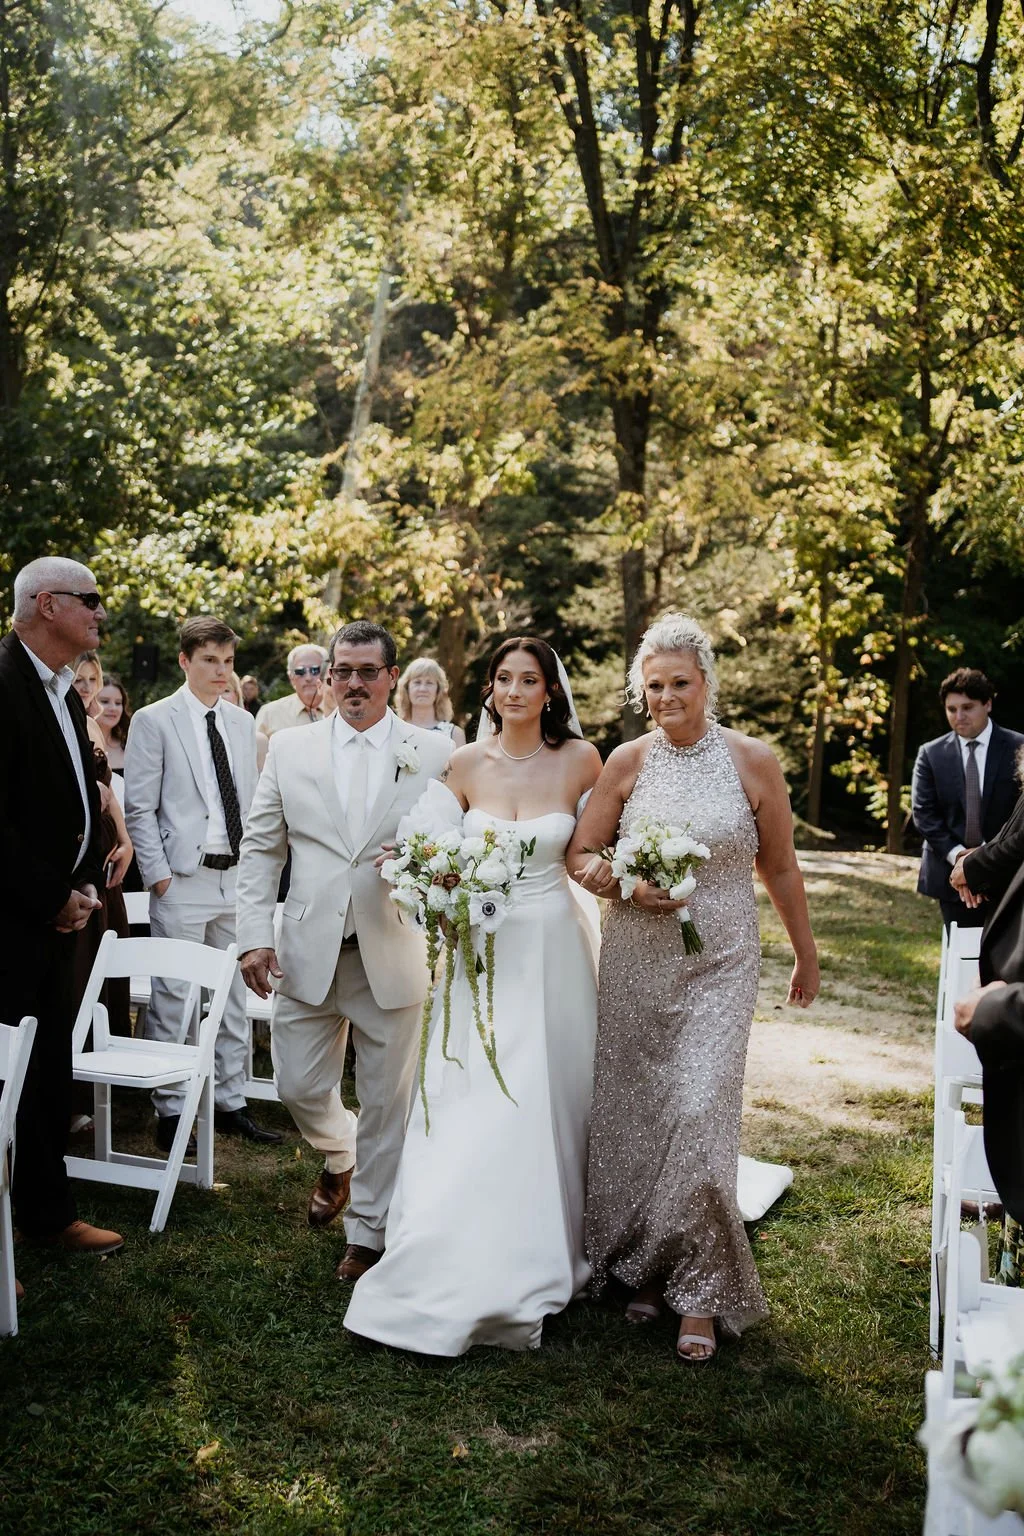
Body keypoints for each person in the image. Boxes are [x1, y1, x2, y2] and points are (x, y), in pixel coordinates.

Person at [568, 613, 819, 1362]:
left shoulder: (753, 762)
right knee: (639, 1115)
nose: (668, 696)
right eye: (655, 686)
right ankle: (649, 1268)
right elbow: (581, 852)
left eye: (681, 682)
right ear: (640, 693)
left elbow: (779, 867)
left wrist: (805, 953)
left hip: (722, 962)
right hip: (637, 961)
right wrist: (622, 884)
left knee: (699, 1108)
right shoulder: (626, 761)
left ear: (707, 682)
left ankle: (702, 1292)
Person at [343, 636, 602, 1355]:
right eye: (503, 679)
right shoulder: (460, 764)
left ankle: (550, 1239)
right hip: (475, 955)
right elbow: (423, 851)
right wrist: (427, 884)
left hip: (551, 950)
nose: (515, 691)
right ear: (488, 689)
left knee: (545, 1093)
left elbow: (593, 853)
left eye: (529, 679)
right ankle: (448, 1240)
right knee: (471, 1095)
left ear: (551, 690)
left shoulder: (583, 761)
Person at [236, 621, 452, 1275]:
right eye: (342, 670)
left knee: (389, 1100)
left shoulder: (433, 753)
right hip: (308, 949)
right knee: (297, 1085)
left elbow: (454, 847)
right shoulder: (290, 750)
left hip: (393, 944)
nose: (353, 683)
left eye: (367, 671)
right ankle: (340, 1154)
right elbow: (262, 847)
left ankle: (368, 1234)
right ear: (327, 676)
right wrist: (252, 937)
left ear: (390, 677)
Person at [0, 556, 124, 1265]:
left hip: (57, 916)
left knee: (48, 1074)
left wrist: (79, 889)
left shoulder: (62, 691)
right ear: (47, 604)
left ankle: (47, 1218)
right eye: (90, 600)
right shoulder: (2, 683)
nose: (99, 613)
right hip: (8, 923)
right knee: (3, 1077)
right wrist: (52, 896)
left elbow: (74, 801)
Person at [124, 616, 282, 1151]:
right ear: (185, 661)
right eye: (210, 660)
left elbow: (255, 801)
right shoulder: (154, 720)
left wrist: (255, 871)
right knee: (174, 996)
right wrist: (160, 877)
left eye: (228, 662)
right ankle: (169, 1110)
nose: (221, 671)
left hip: (235, 878)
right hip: (183, 878)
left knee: (234, 993)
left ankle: (230, 1099)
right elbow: (139, 807)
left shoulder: (241, 723)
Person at [911, 667, 1024, 931]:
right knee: (960, 959)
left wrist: (983, 861)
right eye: (951, 709)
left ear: (988, 704)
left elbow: (1019, 817)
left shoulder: (1020, 748)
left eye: (967, 707)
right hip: (950, 875)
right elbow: (924, 815)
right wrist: (963, 860)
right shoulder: (930, 754)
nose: (959, 717)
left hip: (1005, 871)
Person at [253, 644, 329, 739]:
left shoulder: (340, 710)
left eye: (315, 670)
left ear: (327, 673)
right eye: (300, 672)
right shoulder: (269, 713)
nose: (308, 678)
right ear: (291, 678)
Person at [395, 657, 467, 746]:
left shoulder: (454, 735)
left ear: (438, 690)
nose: (422, 689)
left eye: (429, 683)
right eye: (417, 682)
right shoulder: (394, 730)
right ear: (406, 688)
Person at [95, 674, 131, 772]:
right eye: (105, 701)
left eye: (118, 703)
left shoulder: (131, 745)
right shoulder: (78, 745)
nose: (113, 708)